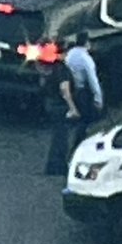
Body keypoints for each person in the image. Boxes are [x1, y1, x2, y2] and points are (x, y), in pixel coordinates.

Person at [44, 42, 80, 177]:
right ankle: (57, 166)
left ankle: (53, 165)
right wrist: (73, 108)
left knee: (58, 137)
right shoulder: (63, 69)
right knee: (61, 139)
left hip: (53, 104)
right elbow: (65, 90)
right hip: (60, 106)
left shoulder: (54, 67)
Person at [65, 31, 104, 126]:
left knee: (80, 121)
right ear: (87, 43)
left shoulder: (70, 54)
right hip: (85, 93)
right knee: (90, 122)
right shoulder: (86, 59)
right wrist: (98, 99)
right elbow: (92, 80)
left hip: (74, 90)